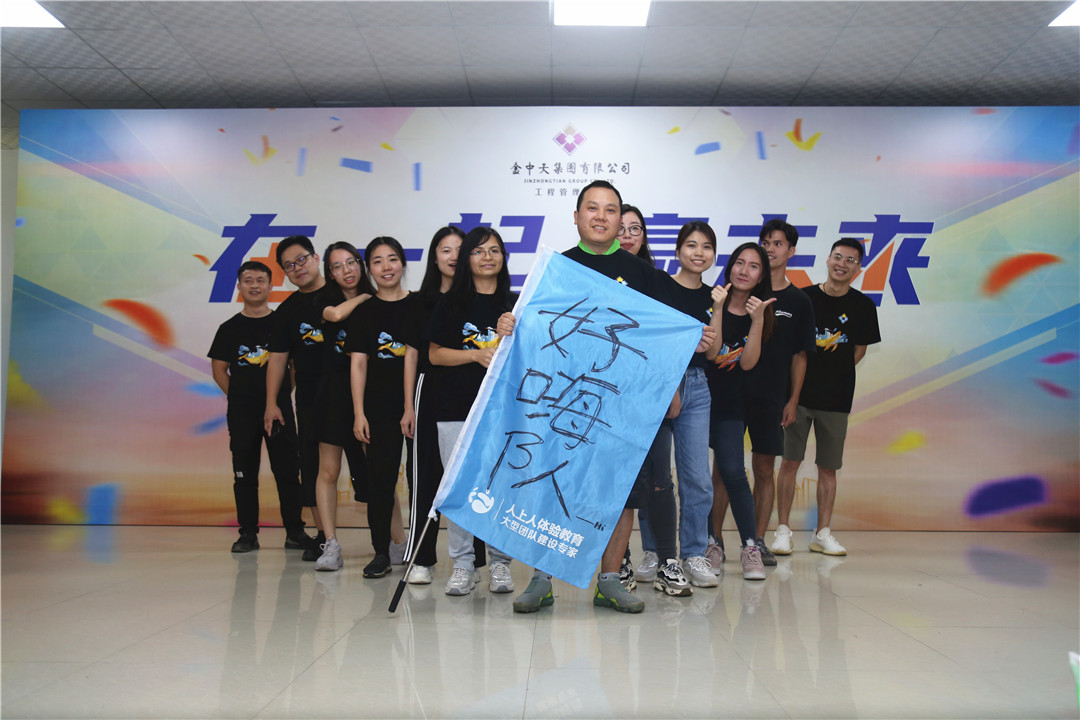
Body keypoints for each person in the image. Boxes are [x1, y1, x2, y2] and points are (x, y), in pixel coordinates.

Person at [511, 180, 715, 615]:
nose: (600, 217)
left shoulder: (644, 274)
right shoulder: (557, 269)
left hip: (625, 403)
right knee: (554, 484)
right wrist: (508, 324)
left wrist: (672, 386)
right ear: (576, 216)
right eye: (592, 208)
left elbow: (663, 339)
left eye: (609, 209)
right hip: (564, 400)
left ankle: (609, 581)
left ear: (620, 219)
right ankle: (541, 579)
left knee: (623, 490)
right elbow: (533, 327)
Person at [711, 219, 816, 567]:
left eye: (778, 243)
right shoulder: (729, 297)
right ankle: (714, 541)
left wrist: (793, 400)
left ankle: (755, 541)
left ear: (791, 251)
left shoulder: (798, 300)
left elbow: (800, 356)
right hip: (730, 395)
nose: (770, 249)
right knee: (723, 469)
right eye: (765, 242)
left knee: (764, 468)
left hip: (770, 397)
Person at [773, 238, 881, 556]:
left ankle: (822, 533)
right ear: (828, 259)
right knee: (790, 462)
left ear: (858, 268)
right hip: (797, 397)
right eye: (838, 257)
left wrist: (835, 373)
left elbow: (858, 350)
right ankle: (782, 531)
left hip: (836, 399)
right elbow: (791, 346)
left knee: (828, 468)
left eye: (850, 260)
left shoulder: (863, 306)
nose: (842, 264)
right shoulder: (803, 298)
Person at [427, 227, 518, 596]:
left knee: (499, 485)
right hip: (455, 407)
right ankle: (463, 565)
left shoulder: (516, 305)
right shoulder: (451, 303)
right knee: (459, 488)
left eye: (494, 250)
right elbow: (435, 355)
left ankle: (500, 564)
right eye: (478, 251)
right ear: (466, 259)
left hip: (503, 412)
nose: (487, 257)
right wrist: (475, 355)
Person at [208, 261, 308, 553]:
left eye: (260, 280)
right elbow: (219, 370)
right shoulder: (229, 329)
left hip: (279, 411)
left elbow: (293, 368)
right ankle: (247, 534)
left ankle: (295, 532)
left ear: (270, 286)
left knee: (288, 472)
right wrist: (241, 397)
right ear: (239, 286)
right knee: (244, 475)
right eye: (248, 280)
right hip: (242, 413)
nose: (254, 285)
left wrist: (278, 397)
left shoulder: (282, 324)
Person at [619, 205, 690, 598]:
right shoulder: (594, 275)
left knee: (661, 480)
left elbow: (672, 338)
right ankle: (620, 561)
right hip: (607, 395)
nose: (627, 235)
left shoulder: (656, 280)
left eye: (635, 228)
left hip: (652, 392)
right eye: (621, 227)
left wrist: (673, 387)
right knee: (616, 482)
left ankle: (667, 561)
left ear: (644, 235)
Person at [403, 227, 476, 585]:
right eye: (445, 250)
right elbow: (411, 355)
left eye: (460, 249)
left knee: (472, 478)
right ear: (434, 257)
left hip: (469, 396)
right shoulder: (421, 301)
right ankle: (421, 558)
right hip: (430, 393)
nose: (453, 256)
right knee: (426, 476)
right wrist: (408, 406)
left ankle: (475, 562)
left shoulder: (476, 298)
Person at [347, 237, 418, 578]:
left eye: (392, 259)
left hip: (418, 404)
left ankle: (419, 551)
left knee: (421, 481)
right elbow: (358, 364)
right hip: (377, 407)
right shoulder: (364, 312)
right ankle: (381, 551)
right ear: (369, 269)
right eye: (377, 261)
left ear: (403, 263)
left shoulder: (421, 305)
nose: (386, 267)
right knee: (380, 481)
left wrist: (411, 405)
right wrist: (359, 413)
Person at [660, 221, 726, 590]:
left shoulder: (711, 296)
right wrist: (670, 384)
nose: (699, 253)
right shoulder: (661, 287)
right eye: (691, 245)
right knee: (657, 478)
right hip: (661, 383)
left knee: (698, 478)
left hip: (698, 386)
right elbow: (654, 341)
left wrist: (718, 307)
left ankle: (694, 552)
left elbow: (713, 353)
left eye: (706, 247)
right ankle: (657, 552)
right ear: (677, 251)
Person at [705, 243, 775, 581]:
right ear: (730, 267)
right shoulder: (710, 300)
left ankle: (749, 547)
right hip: (697, 400)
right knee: (698, 479)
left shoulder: (761, 313)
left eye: (754, 266)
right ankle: (710, 543)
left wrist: (757, 320)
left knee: (732, 471)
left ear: (762, 276)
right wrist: (717, 308)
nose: (744, 271)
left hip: (731, 405)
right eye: (739, 263)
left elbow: (747, 363)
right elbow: (712, 352)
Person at [310, 242, 373, 572]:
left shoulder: (381, 301)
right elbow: (335, 316)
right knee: (329, 471)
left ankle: (394, 542)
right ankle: (331, 543)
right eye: (337, 266)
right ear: (330, 273)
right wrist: (364, 298)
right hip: (333, 394)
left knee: (378, 472)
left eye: (351, 262)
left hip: (371, 394)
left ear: (360, 265)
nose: (346, 270)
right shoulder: (323, 300)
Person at [264, 236, 326, 559]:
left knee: (371, 468)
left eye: (301, 259)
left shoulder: (344, 293)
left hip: (354, 397)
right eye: (289, 265)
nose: (297, 268)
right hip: (310, 400)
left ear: (316, 258)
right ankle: (325, 536)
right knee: (312, 467)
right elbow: (277, 359)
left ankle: (387, 541)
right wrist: (271, 402)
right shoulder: (287, 311)